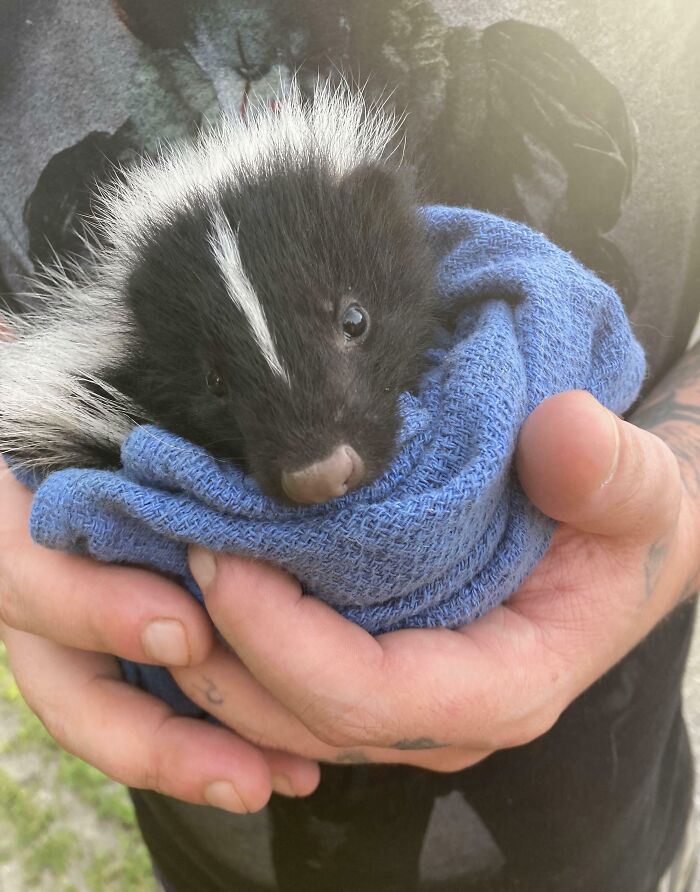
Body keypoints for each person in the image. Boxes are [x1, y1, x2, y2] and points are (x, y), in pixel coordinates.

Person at [1, 1, 699, 890]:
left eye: (351, 325)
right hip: (235, 819)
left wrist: (681, 492)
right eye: (223, 386)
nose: (320, 464)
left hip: (614, 809)